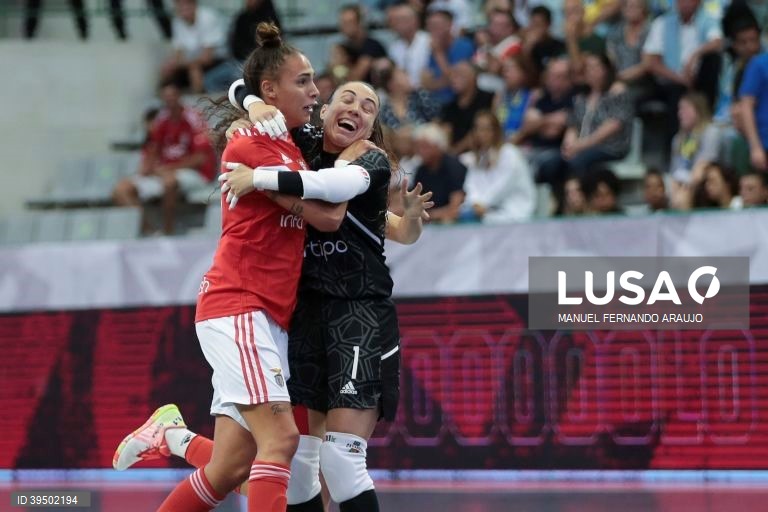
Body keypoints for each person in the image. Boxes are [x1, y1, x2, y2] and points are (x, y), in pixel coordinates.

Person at [114, 77, 433, 512]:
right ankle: (175, 436)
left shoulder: (367, 158)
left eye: (368, 107)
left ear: (371, 128)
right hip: (288, 317)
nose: (356, 109)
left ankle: (174, 437)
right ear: (323, 111)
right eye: (347, 98)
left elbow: (358, 215)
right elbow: (246, 84)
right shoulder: (296, 146)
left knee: (326, 462)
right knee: (284, 467)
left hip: (355, 317)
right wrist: (253, 107)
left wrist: (258, 178)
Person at [112, 82, 216, 235]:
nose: (169, 100)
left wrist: (168, 169)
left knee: (169, 182)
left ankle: (168, 231)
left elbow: (200, 158)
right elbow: (153, 149)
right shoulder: (162, 120)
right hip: (164, 172)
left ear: (179, 96)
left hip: (194, 173)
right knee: (121, 189)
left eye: (172, 95)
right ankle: (150, 231)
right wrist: (147, 166)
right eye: (166, 97)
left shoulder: (193, 119)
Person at [458, 110, 536, 222]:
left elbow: (504, 186)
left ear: (496, 131)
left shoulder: (510, 153)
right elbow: (471, 185)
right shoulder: (480, 157)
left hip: (514, 212)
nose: (481, 133)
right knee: (463, 213)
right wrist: (474, 204)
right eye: (478, 128)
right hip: (487, 212)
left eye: (486, 129)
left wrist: (483, 204)